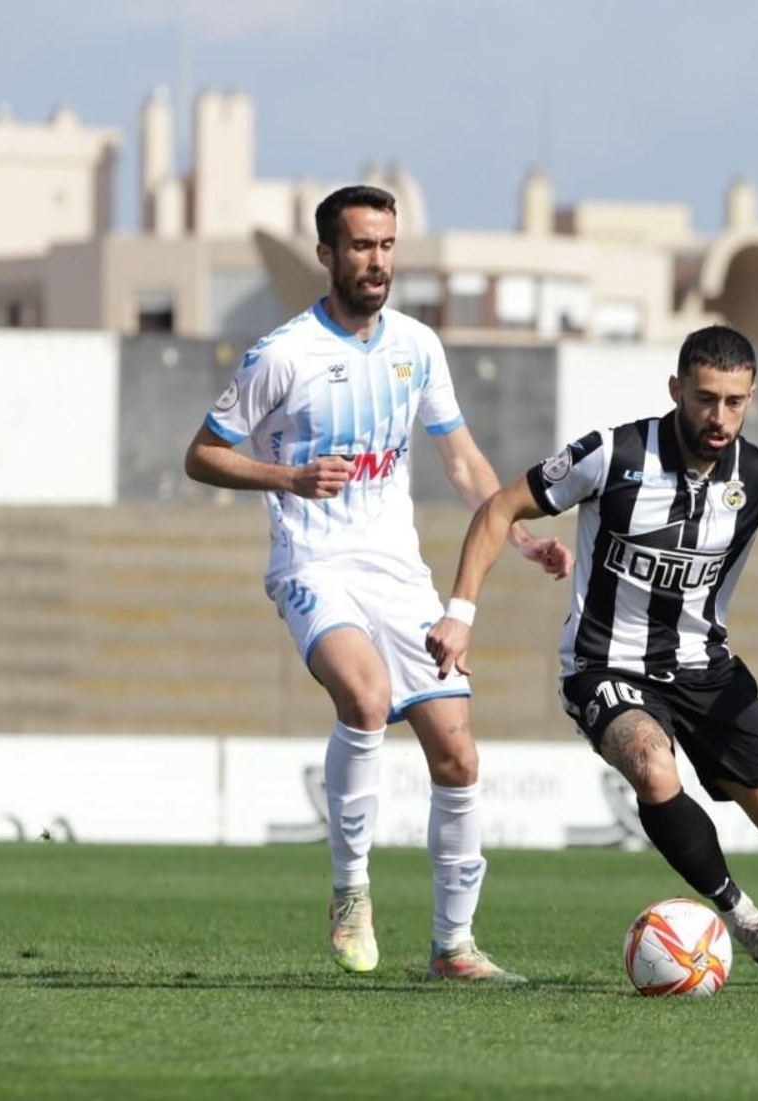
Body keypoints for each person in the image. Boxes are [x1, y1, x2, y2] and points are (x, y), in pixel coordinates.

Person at [427, 325, 758, 996]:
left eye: (734, 402)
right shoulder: (613, 454)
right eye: (706, 399)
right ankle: (740, 913)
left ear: (751, 398)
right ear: (676, 389)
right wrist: (460, 612)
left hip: (707, 672)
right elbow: (500, 507)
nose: (719, 417)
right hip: (604, 666)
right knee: (653, 768)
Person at [183, 184, 572, 982]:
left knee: (457, 754)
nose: (376, 261)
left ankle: (453, 948)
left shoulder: (417, 347)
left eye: (387, 245)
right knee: (364, 698)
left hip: (398, 572)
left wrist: (523, 536)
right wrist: (287, 477)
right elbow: (203, 454)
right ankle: (351, 891)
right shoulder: (282, 354)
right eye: (361, 246)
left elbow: (461, 461)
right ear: (326, 254)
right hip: (312, 563)